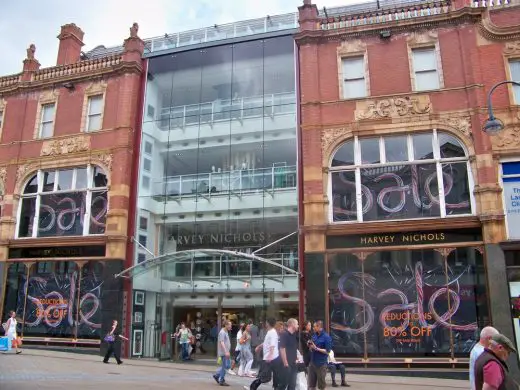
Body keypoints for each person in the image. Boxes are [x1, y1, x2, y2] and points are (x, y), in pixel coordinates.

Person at [247, 318, 283, 390]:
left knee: (265, 375)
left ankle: (253, 386)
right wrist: (259, 346)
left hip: (271, 358)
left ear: (268, 323)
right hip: (270, 357)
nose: (265, 324)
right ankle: (254, 386)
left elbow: (272, 345)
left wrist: (270, 356)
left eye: (266, 322)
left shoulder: (272, 332)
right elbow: (267, 342)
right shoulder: (270, 332)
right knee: (268, 375)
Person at [308, 320, 332, 390]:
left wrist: (316, 348)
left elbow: (327, 351)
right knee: (311, 385)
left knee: (321, 386)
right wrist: (310, 346)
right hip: (312, 363)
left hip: (321, 365)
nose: (313, 328)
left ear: (319, 327)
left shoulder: (326, 337)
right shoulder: (314, 336)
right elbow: (312, 348)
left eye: (314, 326)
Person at [279, 318, 300, 390]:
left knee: (292, 385)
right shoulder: (284, 334)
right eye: (297, 324)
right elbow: (282, 349)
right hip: (286, 364)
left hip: (294, 363)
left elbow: (293, 348)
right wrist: (285, 363)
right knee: (283, 384)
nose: (298, 325)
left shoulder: (294, 334)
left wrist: (296, 358)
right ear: (292, 324)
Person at [213, 320, 232, 387]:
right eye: (229, 325)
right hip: (224, 353)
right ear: (226, 325)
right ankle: (221, 380)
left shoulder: (226, 332)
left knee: (227, 366)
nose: (231, 326)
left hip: (226, 352)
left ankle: (217, 375)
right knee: (225, 366)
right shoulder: (222, 332)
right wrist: (226, 352)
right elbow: (222, 342)